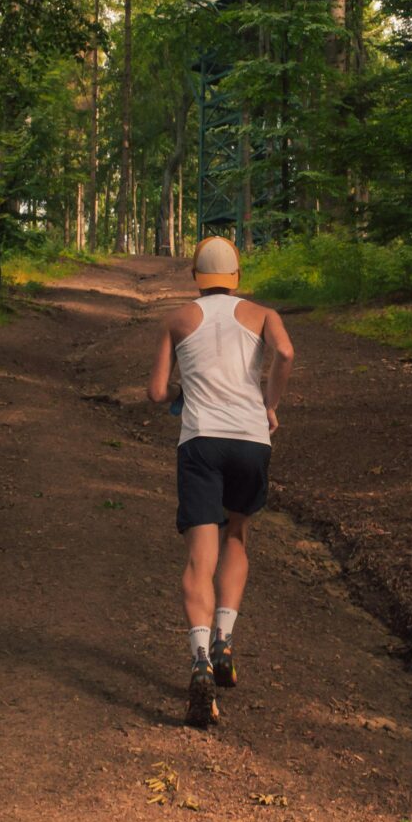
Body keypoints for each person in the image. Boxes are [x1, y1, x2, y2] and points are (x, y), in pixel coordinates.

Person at [146, 234, 294, 729]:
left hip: (200, 443)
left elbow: (154, 392)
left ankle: (199, 659)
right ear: (237, 278)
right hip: (251, 442)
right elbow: (287, 354)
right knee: (238, 534)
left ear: (195, 277)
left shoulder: (177, 319)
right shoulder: (263, 314)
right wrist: (268, 404)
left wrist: (181, 391)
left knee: (198, 556)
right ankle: (226, 641)